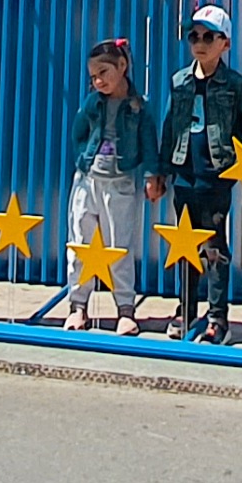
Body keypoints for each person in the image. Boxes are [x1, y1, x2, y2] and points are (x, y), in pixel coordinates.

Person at [156, 5, 242, 344]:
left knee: (214, 247)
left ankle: (218, 317)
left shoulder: (233, 84)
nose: (200, 43)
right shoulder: (180, 81)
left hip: (216, 177)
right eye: (194, 37)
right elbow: (170, 126)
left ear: (225, 43)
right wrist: (161, 170)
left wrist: (241, 151)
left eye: (208, 37)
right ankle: (187, 309)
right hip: (185, 176)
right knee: (185, 245)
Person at [60, 37, 159, 331]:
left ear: (122, 65)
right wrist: (84, 161)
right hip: (88, 182)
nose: (98, 81)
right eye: (93, 76)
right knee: (80, 243)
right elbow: (78, 132)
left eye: (103, 72)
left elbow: (149, 143)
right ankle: (78, 306)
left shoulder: (139, 107)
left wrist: (152, 176)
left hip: (120, 185)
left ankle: (125, 310)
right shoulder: (92, 103)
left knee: (120, 247)